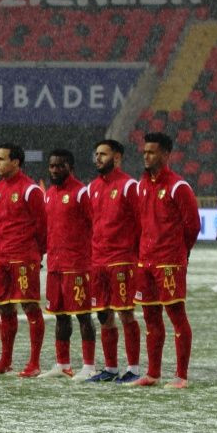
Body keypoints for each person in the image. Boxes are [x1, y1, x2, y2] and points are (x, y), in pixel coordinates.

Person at [132, 132, 200, 388]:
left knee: (176, 316)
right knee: (150, 317)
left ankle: (181, 376)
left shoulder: (178, 186)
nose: (147, 156)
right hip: (145, 261)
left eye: (152, 152)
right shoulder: (142, 184)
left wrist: (181, 252)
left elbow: (192, 225)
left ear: (166, 154)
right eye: (145, 152)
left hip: (168, 261)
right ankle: (153, 373)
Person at [0, 144, 46, 377]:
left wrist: (37, 254)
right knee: (5, 309)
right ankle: (5, 361)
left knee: (29, 307)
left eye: (2, 159)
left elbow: (41, 227)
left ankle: (34, 363)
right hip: (1, 257)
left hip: (23, 256)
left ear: (16, 162)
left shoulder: (31, 190)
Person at [85, 139, 144, 383]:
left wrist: (136, 256)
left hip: (122, 261)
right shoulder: (92, 188)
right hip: (98, 261)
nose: (98, 158)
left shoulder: (130, 186)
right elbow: (91, 223)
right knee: (103, 315)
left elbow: (141, 222)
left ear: (117, 158)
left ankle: (134, 368)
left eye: (104, 154)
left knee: (126, 314)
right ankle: (110, 368)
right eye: (96, 153)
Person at [42, 149, 96, 380]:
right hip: (55, 265)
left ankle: (89, 366)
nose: (55, 170)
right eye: (52, 166)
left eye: (60, 166)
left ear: (70, 167)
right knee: (60, 315)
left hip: (77, 264)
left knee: (83, 315)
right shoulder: (49, 193)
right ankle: (62, 364)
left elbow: (94, 225)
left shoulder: (81, 193)